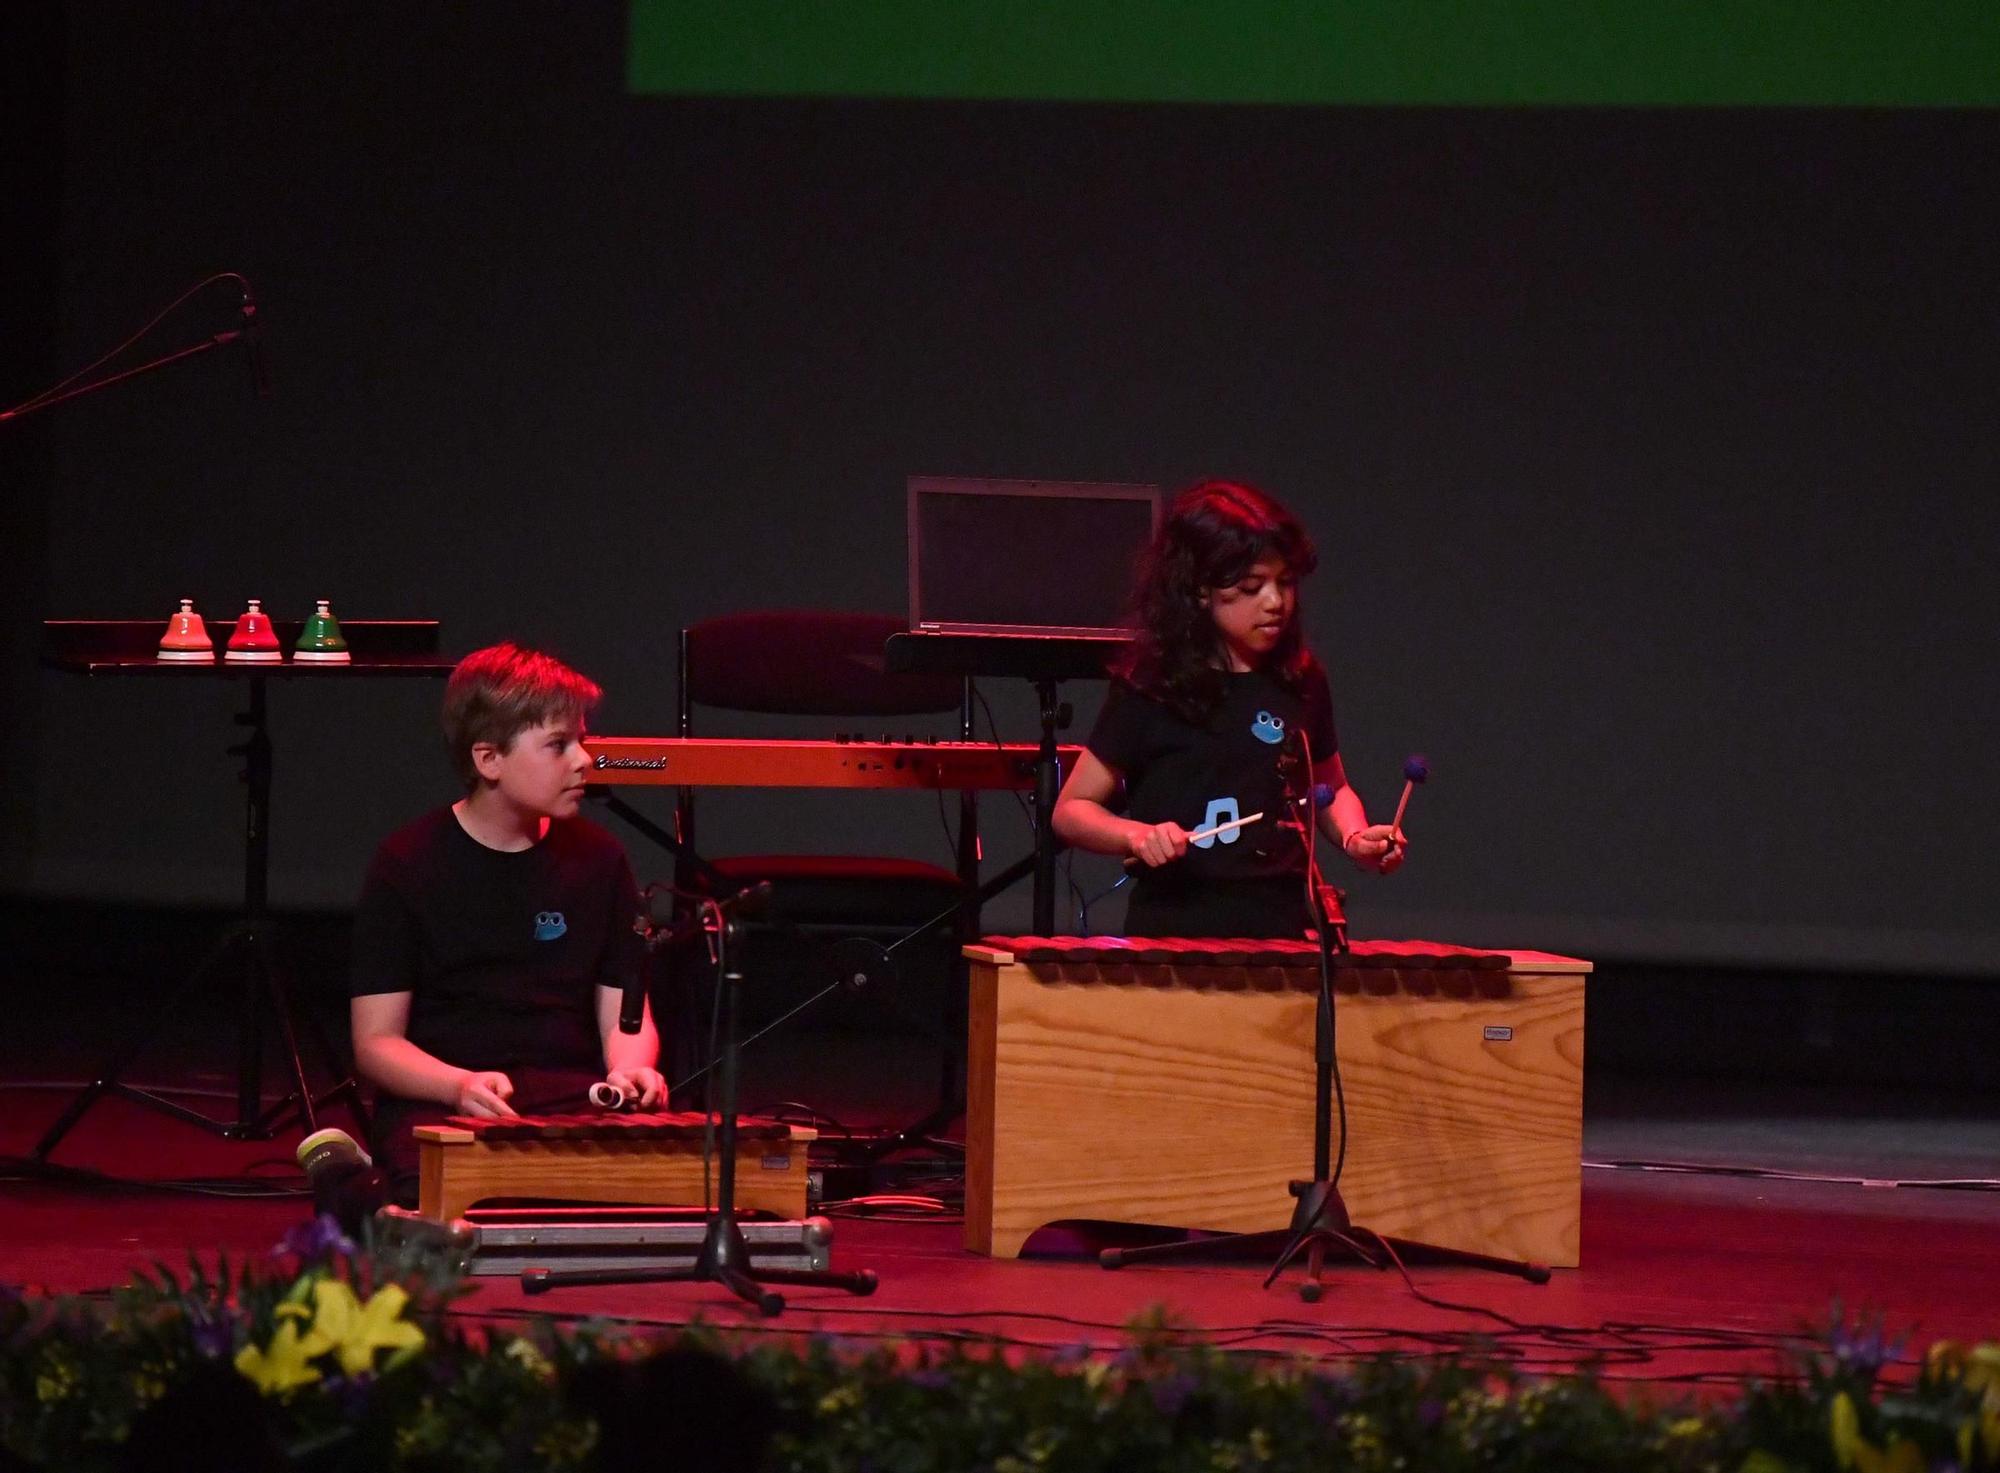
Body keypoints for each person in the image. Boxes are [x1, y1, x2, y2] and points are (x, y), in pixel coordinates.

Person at [342, 642, 664, 1203]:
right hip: (444, 1097)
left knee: (671, 1185)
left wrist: (630, 1072)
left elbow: (626, 1017)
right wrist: (458, 1084)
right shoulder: (407, 864)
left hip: (569, 1094)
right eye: (558, 745)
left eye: (581, 741)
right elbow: (376, 1042)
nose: (584, 760)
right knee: (434, 1198)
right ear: (488, 760)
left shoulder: (601, 859)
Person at [1052, 480, 1404, 939]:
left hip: (1284, 928)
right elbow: (1072, 810)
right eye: (1252, 586)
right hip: (1176, 929)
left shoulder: (1300, 681)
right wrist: (1138, 836)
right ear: (1201, 589)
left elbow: (1330, 787)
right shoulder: (1153, 686)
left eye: (1285, 583)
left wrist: (1357, 840)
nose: (1275, 602)